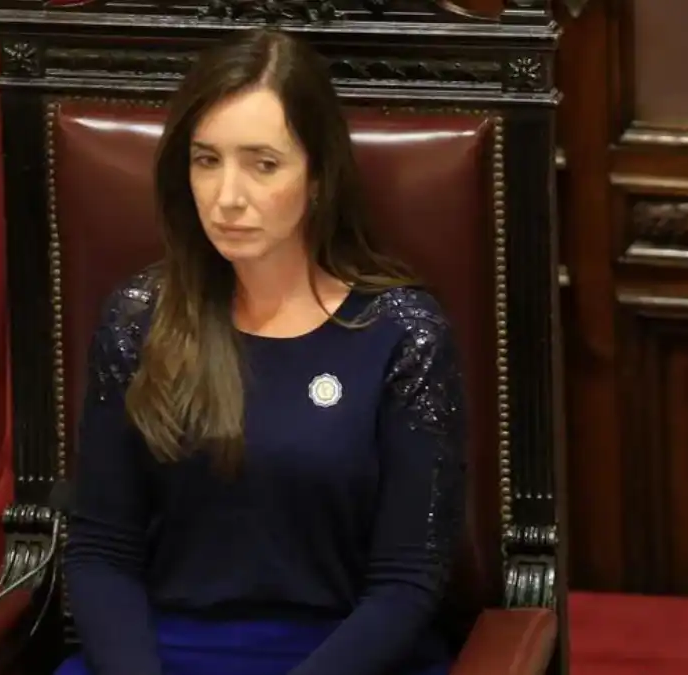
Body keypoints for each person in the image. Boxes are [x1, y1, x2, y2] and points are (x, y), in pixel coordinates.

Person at [56, 27, 467, 675]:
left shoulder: (403, 335)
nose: (227, 197)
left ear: (319, 177)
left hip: (342, 658)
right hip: (158, 654)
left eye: (263, 164)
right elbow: (102, 549)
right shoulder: (140, 318)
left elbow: (407, 582)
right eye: (206, 160)